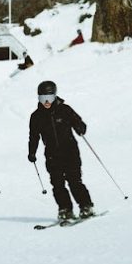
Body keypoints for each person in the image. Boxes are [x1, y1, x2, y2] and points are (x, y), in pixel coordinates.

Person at [28, 80, 94, 221]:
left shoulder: (65, 110)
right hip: (52, 155)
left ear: (55, 96)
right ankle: (65, 209)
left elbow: (79, 123)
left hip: (70, 151)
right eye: (42, 98)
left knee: (74, 180)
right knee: (57, 184)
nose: (46, 101)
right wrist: (32, 152)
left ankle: (86, 206)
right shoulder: (36, 117)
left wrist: (80, 128)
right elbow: (33, 136)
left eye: (49, 98)